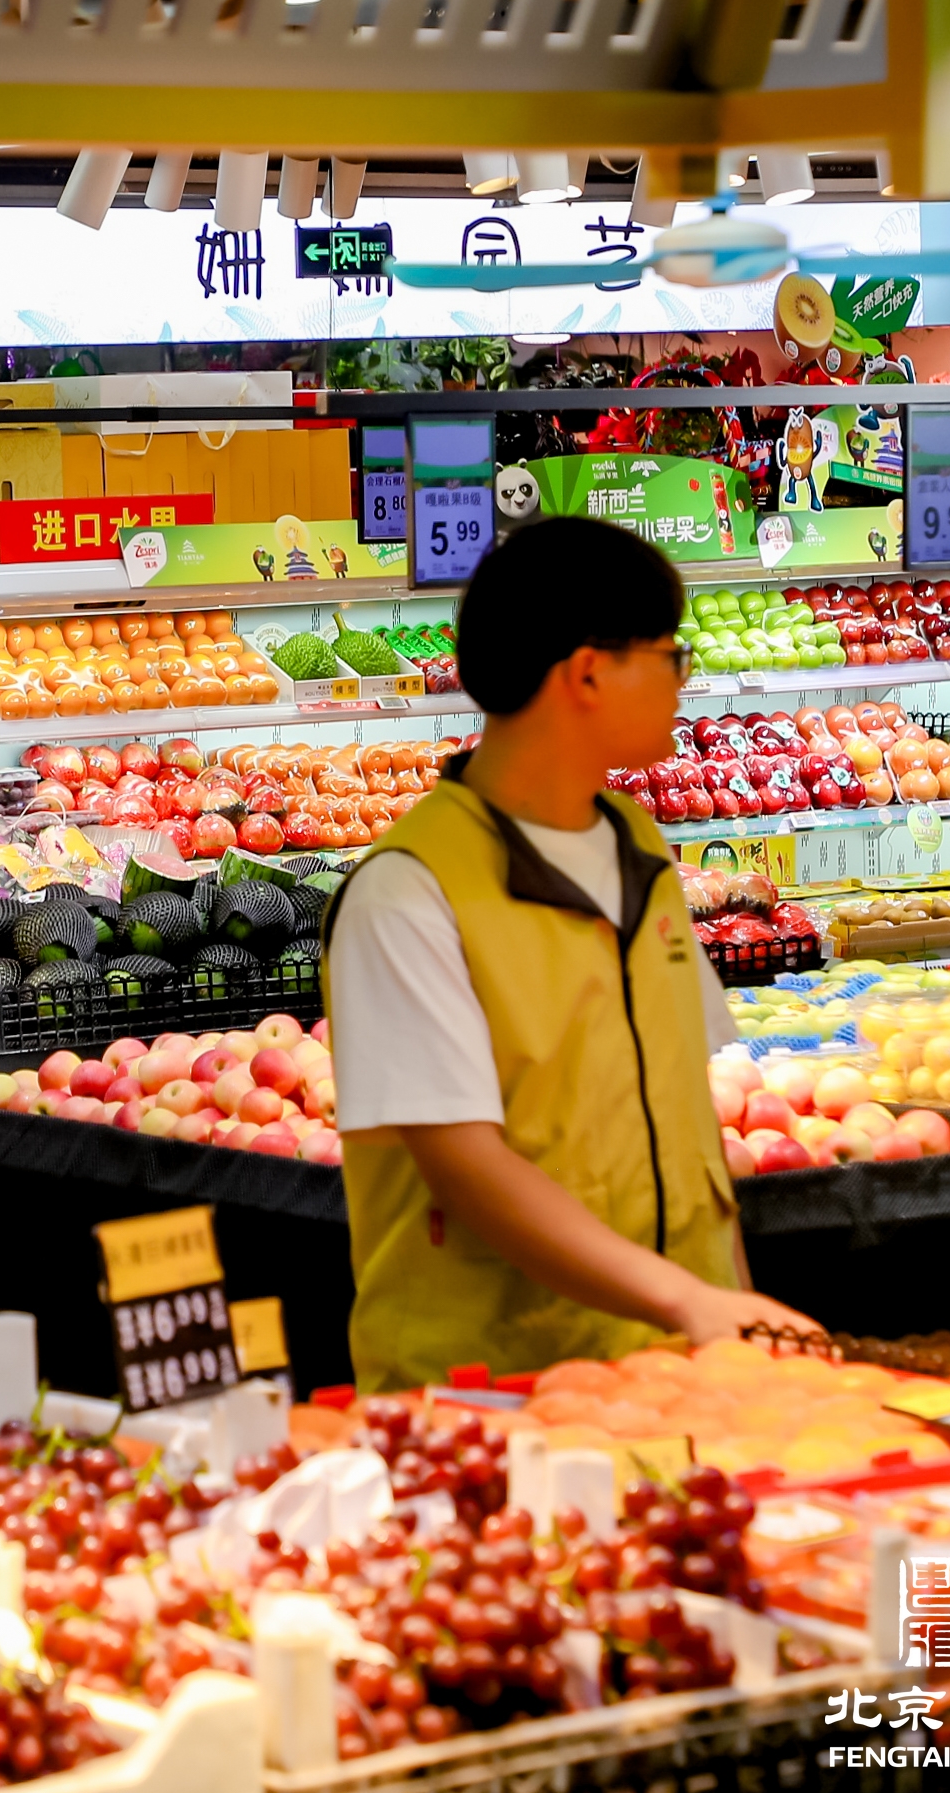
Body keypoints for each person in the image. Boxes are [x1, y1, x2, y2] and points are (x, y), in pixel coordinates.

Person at [321, 516, 817, 1392]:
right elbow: (465, 1167)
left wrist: (729, 1312)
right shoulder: (408, 892)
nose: (683, 678)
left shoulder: (638, 845)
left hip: (673, 1373)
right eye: (667, 654)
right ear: (587, 672)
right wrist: (688, 1302)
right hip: (497, 1393)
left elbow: (684, 1116)